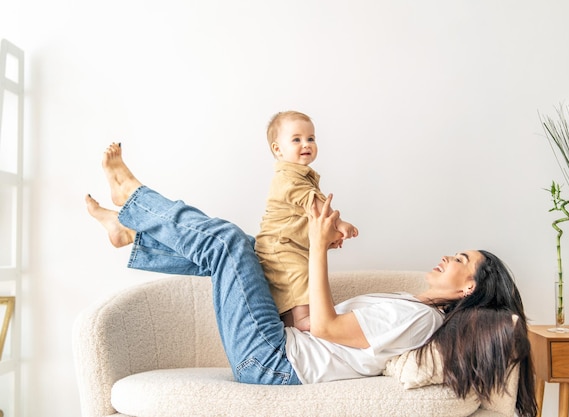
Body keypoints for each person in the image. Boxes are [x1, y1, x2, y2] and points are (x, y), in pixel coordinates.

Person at [85, 143, 537, 417]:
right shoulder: (411, 304)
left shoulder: (420, 322)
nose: (446, 256)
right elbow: (322, 327)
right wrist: (312, 247)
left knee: (224, 241)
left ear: (467, 288)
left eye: (460, 259)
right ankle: (130, 231)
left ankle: (135, 202)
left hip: (273, 362)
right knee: (249, 247)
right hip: (276, 348)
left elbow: (323, 328)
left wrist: (317, 246)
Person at [256, 111, 358, 331]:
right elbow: (314, 205)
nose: (306, 144)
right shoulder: (288, 177)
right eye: (296, 139)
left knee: (309, 277)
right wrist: (339, 223)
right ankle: (303, 319)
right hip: (279, 246)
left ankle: (294, 322)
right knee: (301, 275)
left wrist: (329, 237)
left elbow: (307, 220)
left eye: (310, 138)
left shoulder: (303, 175)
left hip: (293, 244)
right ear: (277, 149)